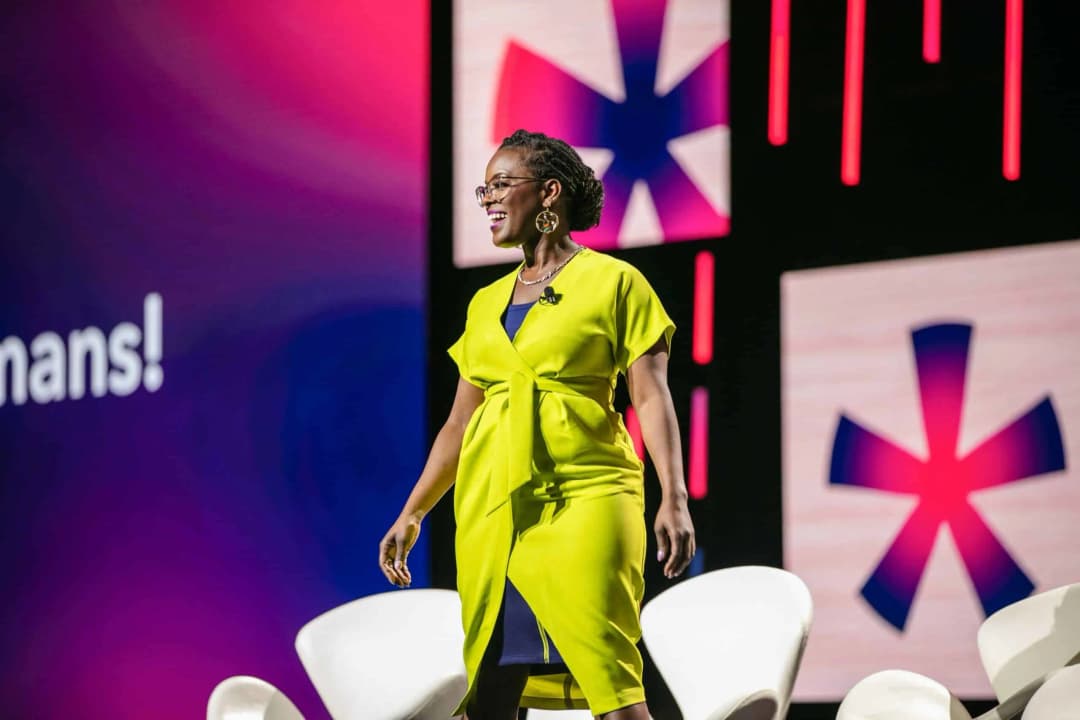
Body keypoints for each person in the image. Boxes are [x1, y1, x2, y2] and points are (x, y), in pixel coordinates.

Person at [379, 129, 695, 720]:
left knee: (607, 672)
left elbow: (651, 397)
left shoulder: (616, 283)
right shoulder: (483, 304)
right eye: (485, 189)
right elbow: (457, 424)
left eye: (502, 184)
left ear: (549, 193)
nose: (489, 199)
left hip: (589, 496)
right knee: (493, 681)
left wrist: (673, 496)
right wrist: (414, 510)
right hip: (496, 508)